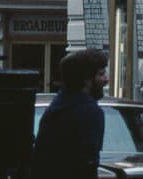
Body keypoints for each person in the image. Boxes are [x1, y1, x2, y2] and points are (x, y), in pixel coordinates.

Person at [32, 48, 108, 179]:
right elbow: (87, 164)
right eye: (100, 74)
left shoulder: (56, 107)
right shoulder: (90, 112)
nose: (105, 79)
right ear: (86, 80)